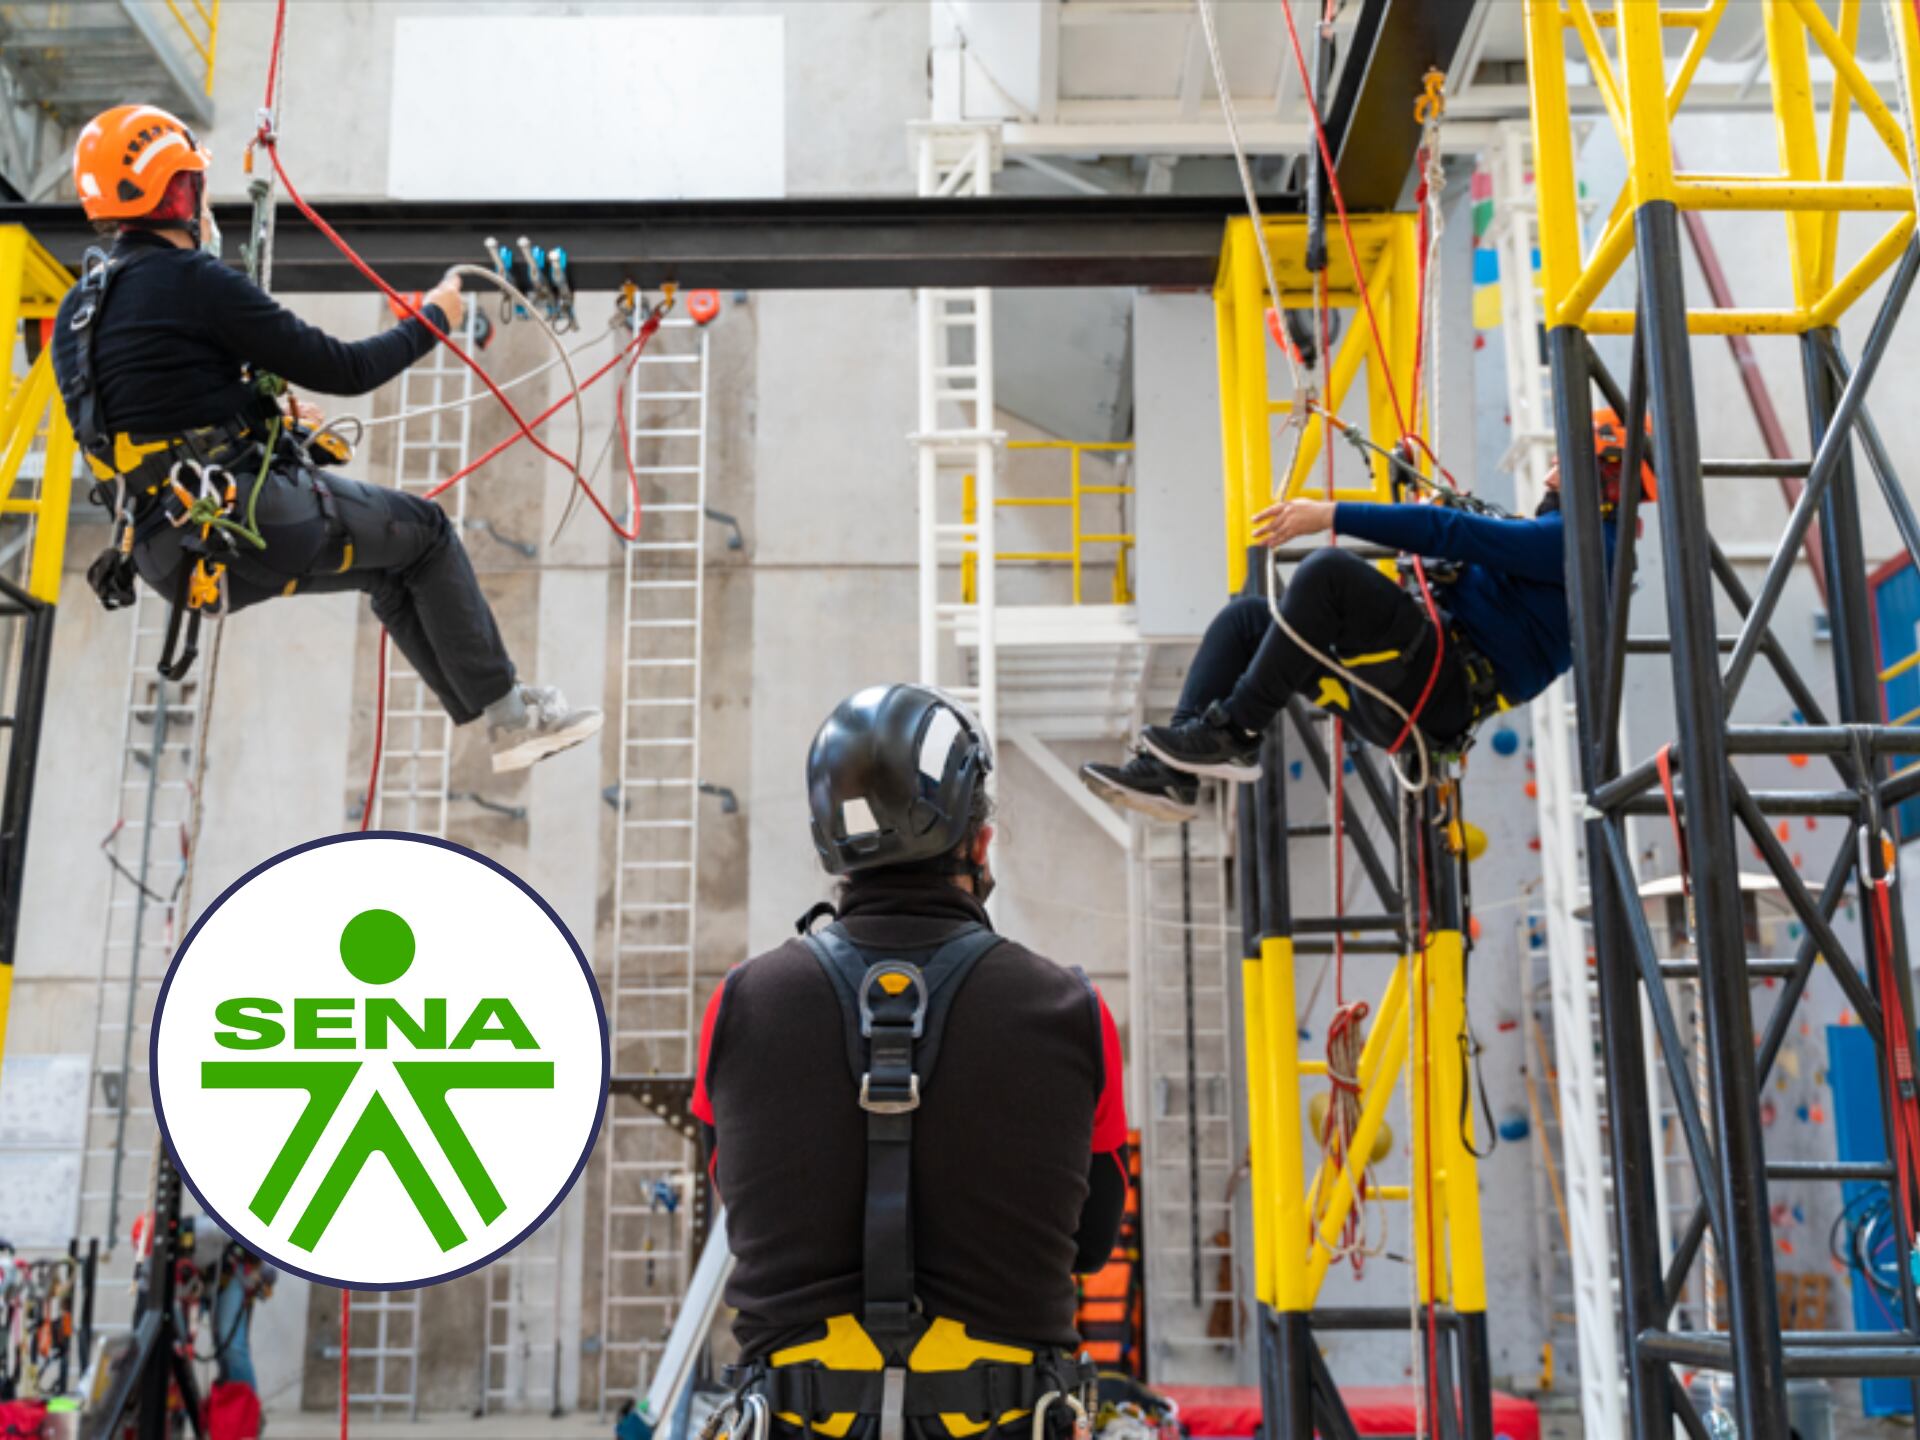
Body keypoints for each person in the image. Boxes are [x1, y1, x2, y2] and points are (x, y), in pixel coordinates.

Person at [50, 104, 599, 773]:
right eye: (196, 184)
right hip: (249, 522)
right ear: (179, 191)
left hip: (172, 560)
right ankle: (511, 718)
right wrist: (436, 317)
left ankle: (500, 718)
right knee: (426, 533)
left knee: (395, 569)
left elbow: (154, 414)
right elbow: (349, 369)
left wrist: (268, 423)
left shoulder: (77, 314)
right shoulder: (193, 283)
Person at [691, 683, 1129, 1440]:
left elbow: (739, 1200)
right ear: (979, 844)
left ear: (830, 844)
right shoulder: (1074, 1013)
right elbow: (1090, 1242)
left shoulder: (739, 1006)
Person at [1082, 416, 1649, 818]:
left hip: (1436, 689)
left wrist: (1330, 514)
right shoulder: (1559, 541)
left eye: (1570, 462)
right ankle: (1174, 772)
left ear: (1604, 481)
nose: (1553, 470)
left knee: (1328, 573)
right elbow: (1457, 552)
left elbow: (1452, 533)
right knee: (1249, 619)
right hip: (1412, 687)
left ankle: (1233, 732)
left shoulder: (1585, 545)